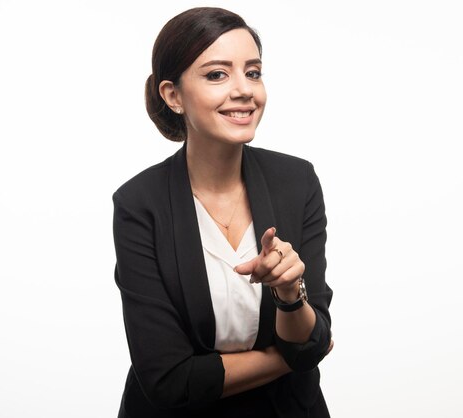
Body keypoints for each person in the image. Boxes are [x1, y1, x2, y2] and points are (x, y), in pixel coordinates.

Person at [112, 7, 333, 418]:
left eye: (253, 72)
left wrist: (288, 296)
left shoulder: (297, 181)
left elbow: (311, 330)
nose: (244, 90)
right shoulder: (138, 204)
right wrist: (292, 358)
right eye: (217, 74)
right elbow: (167, 380)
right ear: (172, 95)